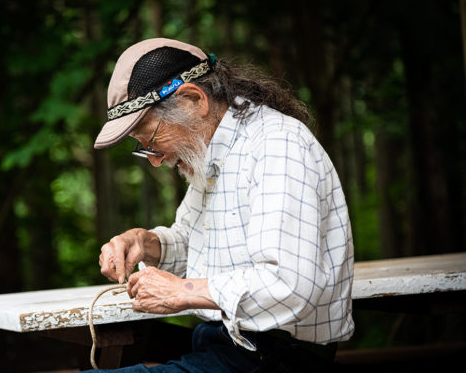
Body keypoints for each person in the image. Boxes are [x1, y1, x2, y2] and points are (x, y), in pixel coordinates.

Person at [90, 38, 354, 372]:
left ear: (191, 100)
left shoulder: (277, 145)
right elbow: (200, 249)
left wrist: (181, 291)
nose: (155, 161)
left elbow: (290, 285)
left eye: (152, 140)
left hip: (277, 357)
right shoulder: (211, 154)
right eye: (144, 148)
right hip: (229, 347)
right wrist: (148, 244)